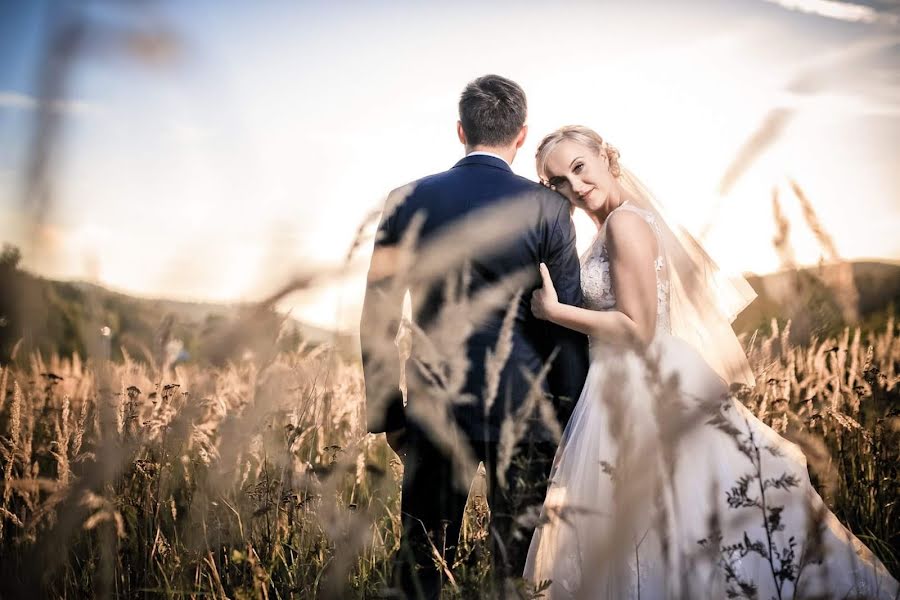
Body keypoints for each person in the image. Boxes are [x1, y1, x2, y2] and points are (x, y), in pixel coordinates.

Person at [523, 125, 900, 599]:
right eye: (557, 181)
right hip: (630, 382)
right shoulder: (615, 224)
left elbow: (638, 328)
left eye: (578, 168)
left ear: (604, 156)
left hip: (642, 384)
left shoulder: (624, 223)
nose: (573, 186)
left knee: (662, 519)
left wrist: (555, 312)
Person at [360, 76, 590, 599]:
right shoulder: (550, 208)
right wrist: (566, 421)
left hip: (434, 409)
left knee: (421, 563)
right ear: (522, 135)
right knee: (514, 573)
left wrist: (389, 416)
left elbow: (378, 317)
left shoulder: (405, 200)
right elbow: (568, 321)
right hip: (528, 415)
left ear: (460, 130)